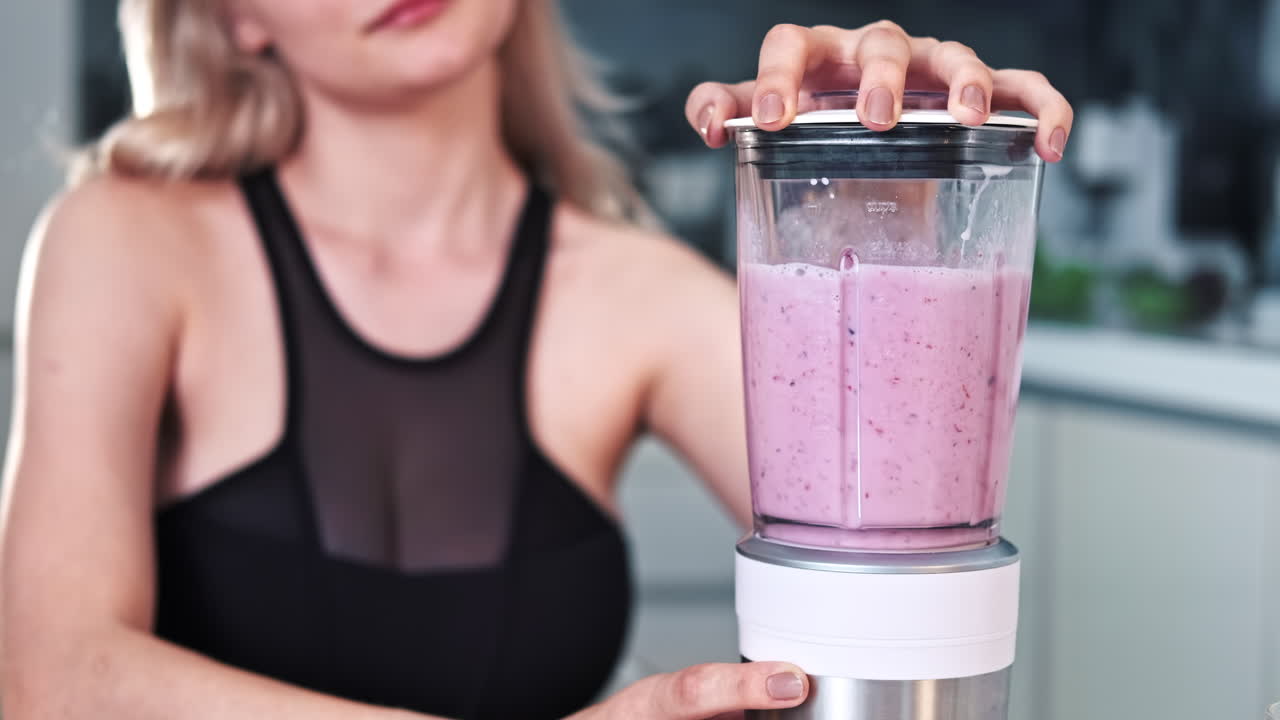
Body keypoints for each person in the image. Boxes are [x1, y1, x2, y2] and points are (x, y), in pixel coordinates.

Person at [0, 1, 1072, 718]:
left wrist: (885, 172)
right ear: (233, 16)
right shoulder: (127, 242)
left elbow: (901, 565)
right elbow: (45, 674)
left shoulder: (633, 290)